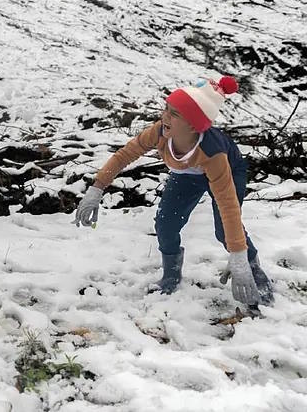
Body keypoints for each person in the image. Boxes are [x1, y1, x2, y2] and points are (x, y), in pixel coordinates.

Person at [74, 76, 273, 307]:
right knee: (166, 224)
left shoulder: (213, 152)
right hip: (187, 175)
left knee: (223, 229)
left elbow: (228, 205)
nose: (165, 116)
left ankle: (251, 265)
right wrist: (97, 188)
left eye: (175, 114)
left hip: (228, 172)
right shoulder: (159, 132)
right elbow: (125, 155)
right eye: (167, 109)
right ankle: (171, 273)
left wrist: (237, 255)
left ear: (193, 125)